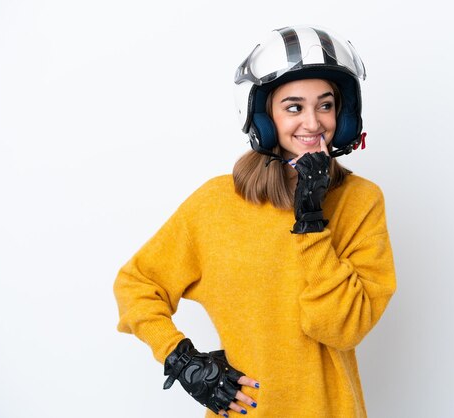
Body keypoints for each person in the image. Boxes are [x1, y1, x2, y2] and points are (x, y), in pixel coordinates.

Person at [113, 25, 396, 417]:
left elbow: (340, 329)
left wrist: (311, 221)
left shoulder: (360, 202)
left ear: (343, 114)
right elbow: (137, 284)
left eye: (326, 105)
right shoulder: (216, 203)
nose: (313, 123)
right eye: (294, 107)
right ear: (264, 118)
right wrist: (182, 359)